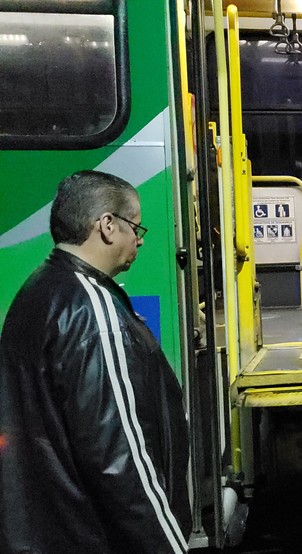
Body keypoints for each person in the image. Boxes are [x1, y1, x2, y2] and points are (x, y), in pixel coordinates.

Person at [0, 171, 191, 553]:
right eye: (136, 227)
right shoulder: (93, 310)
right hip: (91, 535)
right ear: (107, 226)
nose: (139, 239)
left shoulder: (39, 288)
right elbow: (120, 457)